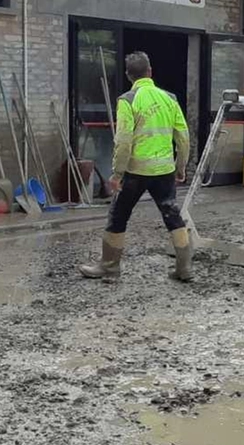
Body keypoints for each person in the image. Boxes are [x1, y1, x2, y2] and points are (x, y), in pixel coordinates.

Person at [80, 51, 193, 282]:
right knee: (173, 215)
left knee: (118, 216)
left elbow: (123, 141)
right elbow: (183, 136)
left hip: (135, 172)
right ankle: (184, 269)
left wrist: (117, 173)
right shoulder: (170, 99)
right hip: (164, 171)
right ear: (150, 72)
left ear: (129, 76)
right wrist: (181, 165)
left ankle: (110, 267)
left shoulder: (128, 100)